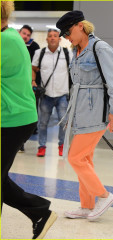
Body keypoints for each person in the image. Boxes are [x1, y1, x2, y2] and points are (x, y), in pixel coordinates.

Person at [56, 10, 113, 221]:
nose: (66, 37)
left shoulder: (100, 48)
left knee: (75, 157)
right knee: (85, 158)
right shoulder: (77, 51)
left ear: (80, 26)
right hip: (80, 113)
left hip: (96, 113)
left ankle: (104, 196)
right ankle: (87, 206)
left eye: (68, 31)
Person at [1, 2, 57, 239]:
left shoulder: (7, 41)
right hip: (11, 117)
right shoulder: (10, 36)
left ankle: (40, 211)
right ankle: (40, 212)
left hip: (13, 119)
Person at [32, 29, 72, 157]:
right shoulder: (40, 53)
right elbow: (34, 68)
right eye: (50, 36)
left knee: (63, 122)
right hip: (46, 95)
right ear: (47, 39)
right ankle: (42, 146)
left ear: (60, 39)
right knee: (42, 123)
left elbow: (73, 70)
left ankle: (61, 145)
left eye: (55, 36)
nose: (53, 38)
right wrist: (33, 80)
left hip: (62, 95)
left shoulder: (67, 53)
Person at [18, 25, 40, 153]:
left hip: (28, 86)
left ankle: (21, 142)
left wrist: (33, 82)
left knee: (27, 114)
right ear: (19, 32)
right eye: (24, 33)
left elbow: (34, 68)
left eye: (28, 35)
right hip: (14, 85)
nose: (25, 36)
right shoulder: (11, 43)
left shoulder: (34, 47)